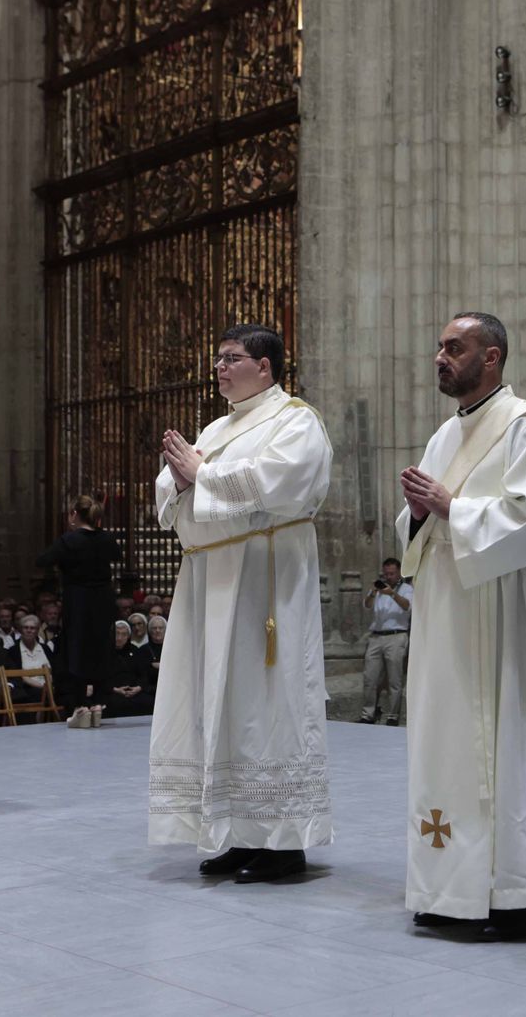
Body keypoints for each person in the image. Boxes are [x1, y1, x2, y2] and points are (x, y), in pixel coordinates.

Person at [399, 312, 526, 942]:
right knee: (442, 743)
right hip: (445, 611)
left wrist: (453, 508)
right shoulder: (442, 437)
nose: (440, 357)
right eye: (440, 347)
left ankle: (515, 896)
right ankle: (449, 890)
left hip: (500, 612)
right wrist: (418, 513)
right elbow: (417, 529)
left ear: (492, 357)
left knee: (507, 743)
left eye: (455, 348)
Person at [149, 323, 333, 884]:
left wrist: (201, 474)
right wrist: (183, 481)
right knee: (219, 705)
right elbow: (170, 488)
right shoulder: (217, 426)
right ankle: (234, 830)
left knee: (267, 706)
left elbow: (282, 482)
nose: (220, 367)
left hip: (265, 580)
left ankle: (282, 843)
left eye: (232, 358)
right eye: (218, 359)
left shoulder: (295, 420)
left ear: (265, 366)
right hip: (212, 579)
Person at [38, 495, 120, 712]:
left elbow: (43, 560)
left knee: (76, 649)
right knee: (101, 646)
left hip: (78, 600)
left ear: (74, 514)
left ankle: (79, 704)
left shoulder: (69, 541)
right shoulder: (107, 539)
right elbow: (117, 555)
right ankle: (100, 701)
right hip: (103, 600)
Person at [359, 558, 413, 725]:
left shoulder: (406, 589)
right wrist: (373, 592)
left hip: (396, 636)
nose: (389, 577)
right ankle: (368, 714)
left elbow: (407, 606)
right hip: (376, 636)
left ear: (399, 573)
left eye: (392, 573)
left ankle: (392, 716)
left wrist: (392, 594)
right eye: (386, 573)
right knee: (370, 677)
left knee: (395, 679)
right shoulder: (378, 589)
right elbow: (367, 605)